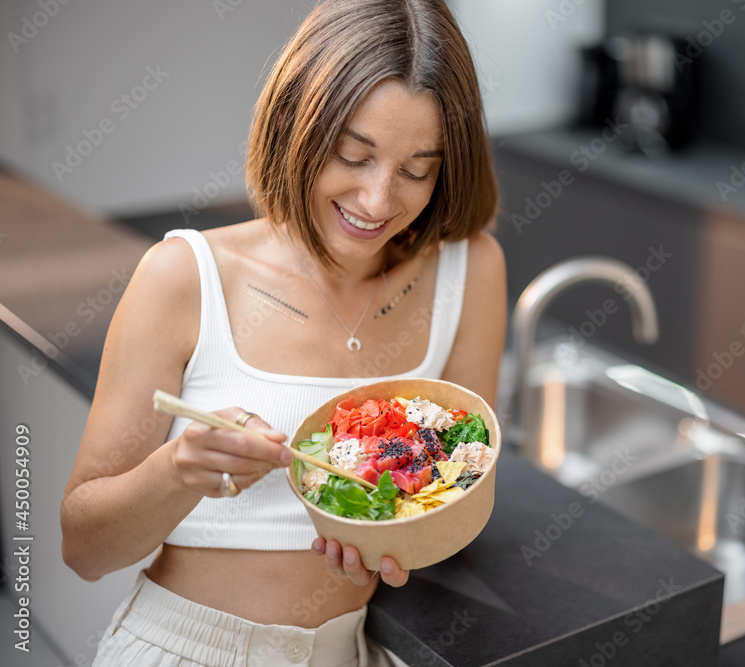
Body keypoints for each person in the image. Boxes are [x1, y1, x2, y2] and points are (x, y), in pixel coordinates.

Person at [59, 0, 506, 664]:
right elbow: (84, 549)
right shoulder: (185, 275)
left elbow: (461, 489)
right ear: (296, 123)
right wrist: (180, 470)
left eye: (417, 170)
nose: (379, 200)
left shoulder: (471, 269)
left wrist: (392, 535)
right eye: (353, 156)